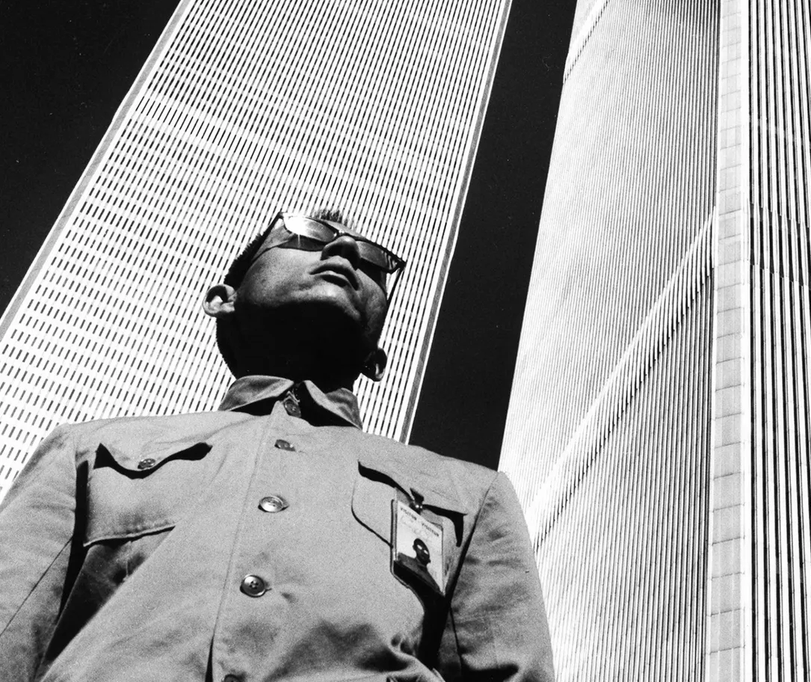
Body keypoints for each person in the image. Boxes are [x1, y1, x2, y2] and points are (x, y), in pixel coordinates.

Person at [0, 208, 554, 681]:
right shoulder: (88, 449)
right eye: (306, 235)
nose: (343, 251)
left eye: (371, 259)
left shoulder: (471, 494)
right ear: (224, 299)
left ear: (377, 359)